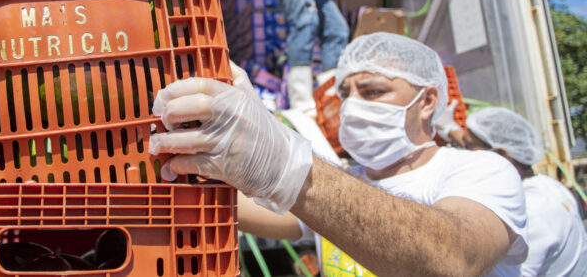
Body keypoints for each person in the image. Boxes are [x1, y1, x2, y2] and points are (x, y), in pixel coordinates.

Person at [150, 32, 529, 275]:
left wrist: (283, 160)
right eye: (345, 94)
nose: (352, 107)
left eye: (373, 91)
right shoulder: (348, 183)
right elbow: (235, 209)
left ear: (428, 100)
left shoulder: (482, 171)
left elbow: (452, 259)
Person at [437, 107, 587, 276]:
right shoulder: (550, 186)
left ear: (501, 154)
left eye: (468, 146)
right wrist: (449, 128)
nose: (463, 155)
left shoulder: (528, 213)